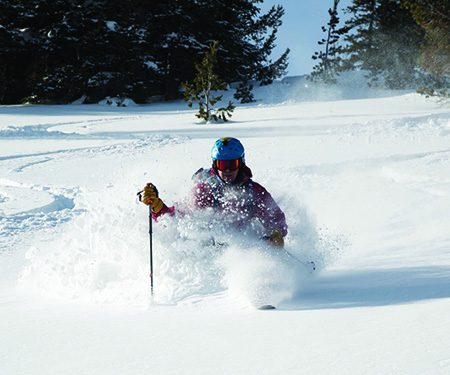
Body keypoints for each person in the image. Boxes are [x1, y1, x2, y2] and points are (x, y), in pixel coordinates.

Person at [140, 137, 287, 247]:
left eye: (232, 164)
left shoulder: (254, 192)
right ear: (214, 166)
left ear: (241, 163)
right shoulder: (204, 191)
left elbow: (275, 217)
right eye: (222, 165)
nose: (227, 170)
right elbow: (174, 219)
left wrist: (275, 233)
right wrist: (157, 206)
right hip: (207, 248)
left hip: (242, 248)